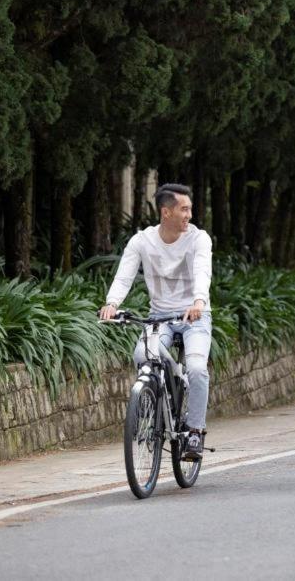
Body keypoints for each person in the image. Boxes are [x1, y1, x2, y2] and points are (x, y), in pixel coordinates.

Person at [99, 183, 213, 461]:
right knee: (141, 355)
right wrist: (112, 303)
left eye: (189, 209)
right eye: (183, 209)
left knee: (197, 369)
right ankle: (155, 408)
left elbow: (202, 271)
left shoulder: (199, 239)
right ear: (166, 212)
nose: (189, 214)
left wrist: (199, 300)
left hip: (194, 316)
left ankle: (195, 429)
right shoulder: (142, 241)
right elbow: (124, 275)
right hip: (159, 317)